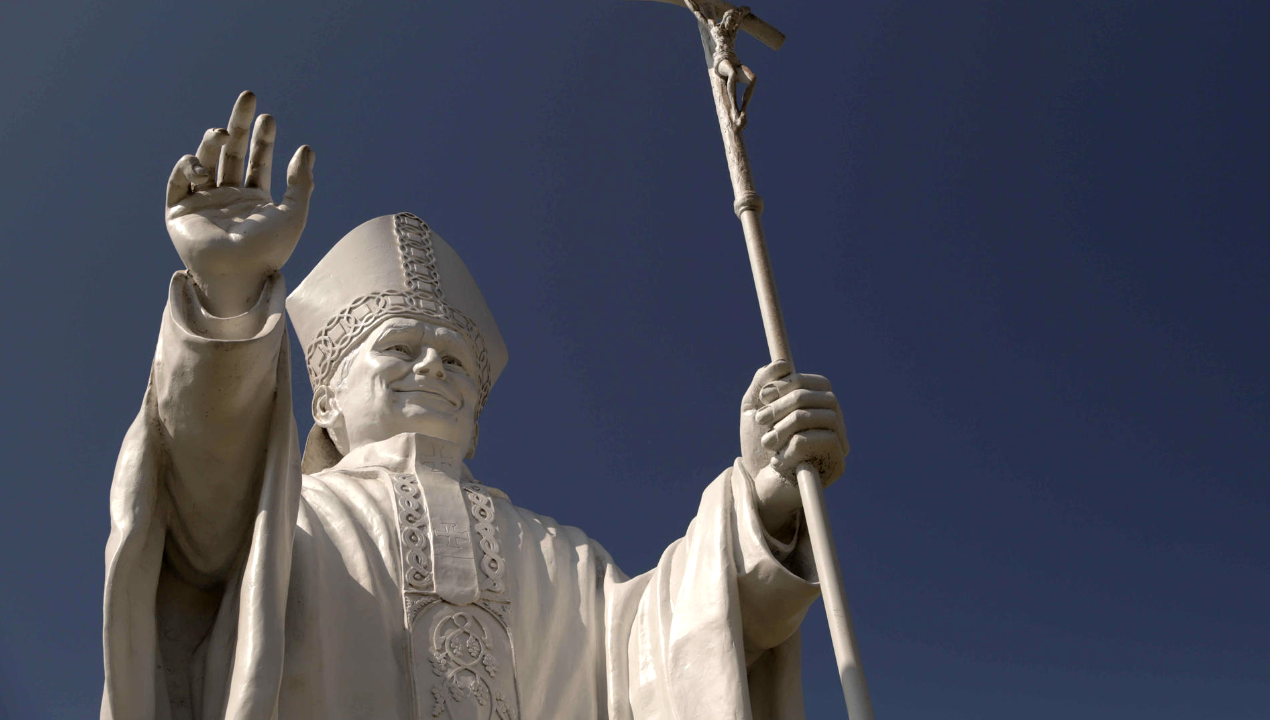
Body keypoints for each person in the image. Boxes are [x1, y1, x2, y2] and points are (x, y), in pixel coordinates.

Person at [102, 91, 849, 720]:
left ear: (478, 411)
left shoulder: (567, 559)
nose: (431, 364)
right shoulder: (285, 520)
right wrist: (226, 307)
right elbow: (201, 506)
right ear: (326, 399)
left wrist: (765, 507)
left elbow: (669, 655)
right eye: (397, 347)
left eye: (454, 359)